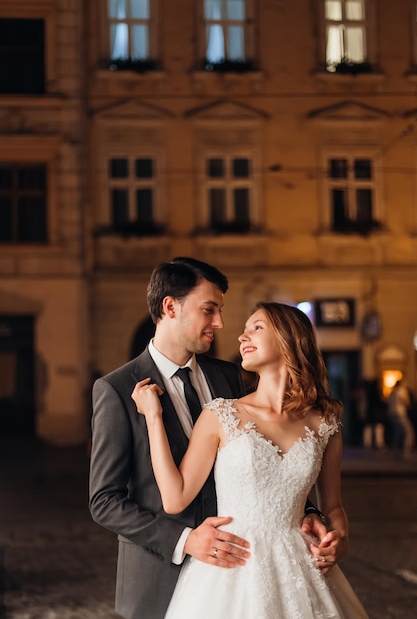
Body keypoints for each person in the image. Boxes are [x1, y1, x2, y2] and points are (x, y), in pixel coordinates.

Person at [89, 258, 342, 619]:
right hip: (157, 575)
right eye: (210, 310)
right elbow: (104, 501)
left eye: (221, 311)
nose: (220, 324)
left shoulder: (231, 377)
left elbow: (272, 456)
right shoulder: (116, 389)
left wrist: (307, 511)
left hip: (249, 572)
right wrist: (185, 540)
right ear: (170, 307)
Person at [132, 301, 368, 619]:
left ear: (290, 339)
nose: (242, 337)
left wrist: (340, 538)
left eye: (257, 327)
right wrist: (153, 416)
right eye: (244, 331)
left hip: (301, 569)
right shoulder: (221, 414)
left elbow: (333, 506)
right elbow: (175, 499)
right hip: (231, 567)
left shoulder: (324, 421)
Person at [387, 379, 415, 459]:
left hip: (391, 413)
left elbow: (387, 402)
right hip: (400, 413)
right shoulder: (402, 390)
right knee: (409, 431)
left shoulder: (392, 392)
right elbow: (407, 402)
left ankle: (395, 450)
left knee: (397, 432)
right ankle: (407, 451)